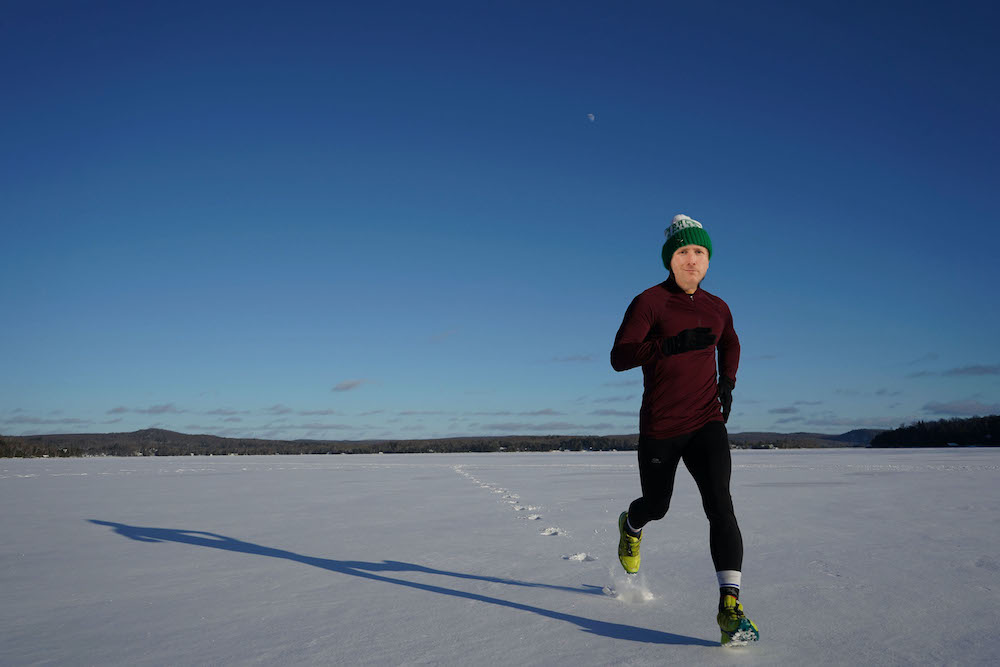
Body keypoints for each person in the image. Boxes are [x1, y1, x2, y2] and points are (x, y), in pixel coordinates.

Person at [610, 213, 758, 645]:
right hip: (661, 425)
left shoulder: (718, 307)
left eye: (699, 252)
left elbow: (730, 340)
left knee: (721, 506)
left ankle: (730, 607)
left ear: (708, 259)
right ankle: (632, 526)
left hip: (706, 421)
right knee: (657, 505)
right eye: (683, 252)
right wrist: (668, 346)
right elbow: (620, 356)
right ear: (669, 260)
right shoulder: (649, 302)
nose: (691, 260)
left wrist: (727, 382)